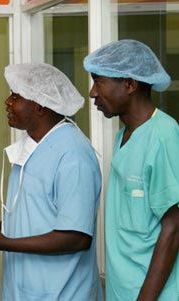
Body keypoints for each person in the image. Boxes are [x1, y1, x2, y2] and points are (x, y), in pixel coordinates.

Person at [0, 63, 103, 300]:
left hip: (63, 293)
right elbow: (34, 210)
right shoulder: (31, 148)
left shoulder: (73, 154)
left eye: (15, 96)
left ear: (40, 105)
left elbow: (77, 237)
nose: (7, 102)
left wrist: (5, 243)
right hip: (23, 291)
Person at [84, 39, 179, 301]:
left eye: (99, 81)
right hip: (122, 291)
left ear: (130, 84)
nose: (92, 93)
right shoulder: (124, 136)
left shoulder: (163, 135)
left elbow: (173, 228)